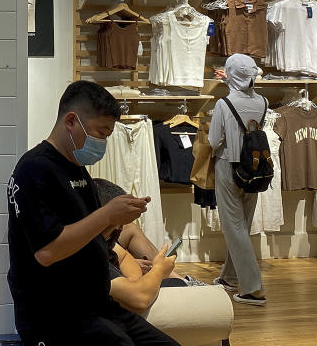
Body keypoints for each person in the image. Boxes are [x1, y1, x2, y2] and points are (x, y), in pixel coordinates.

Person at [7, 80, 179, 346]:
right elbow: (47, 251)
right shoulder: (34, 169)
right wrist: (108, 215)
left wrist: (117, 222)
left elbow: (88, 235)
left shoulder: (79, 172)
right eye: (100, 132)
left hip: (98, 306)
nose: (103, 142)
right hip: (54, 316)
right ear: (71, 121)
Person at [94, 178, 208, 315]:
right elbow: (139, 299)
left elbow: (124, 260)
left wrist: (134, 280)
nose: (120, 227)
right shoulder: (90, 254)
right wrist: (158, 270)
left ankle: (180, 280)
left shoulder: (107, 241)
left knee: (131, 230)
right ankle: (180, 282)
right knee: (171, 285)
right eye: (119, 222)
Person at [208, 54, 268, 306]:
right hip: (255, 168)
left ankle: (253, 288)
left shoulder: (224, 104)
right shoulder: (263, 102)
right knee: (241, 224)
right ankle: (230, 277)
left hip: (228, 166)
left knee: (234, 227)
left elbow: (213, 141)